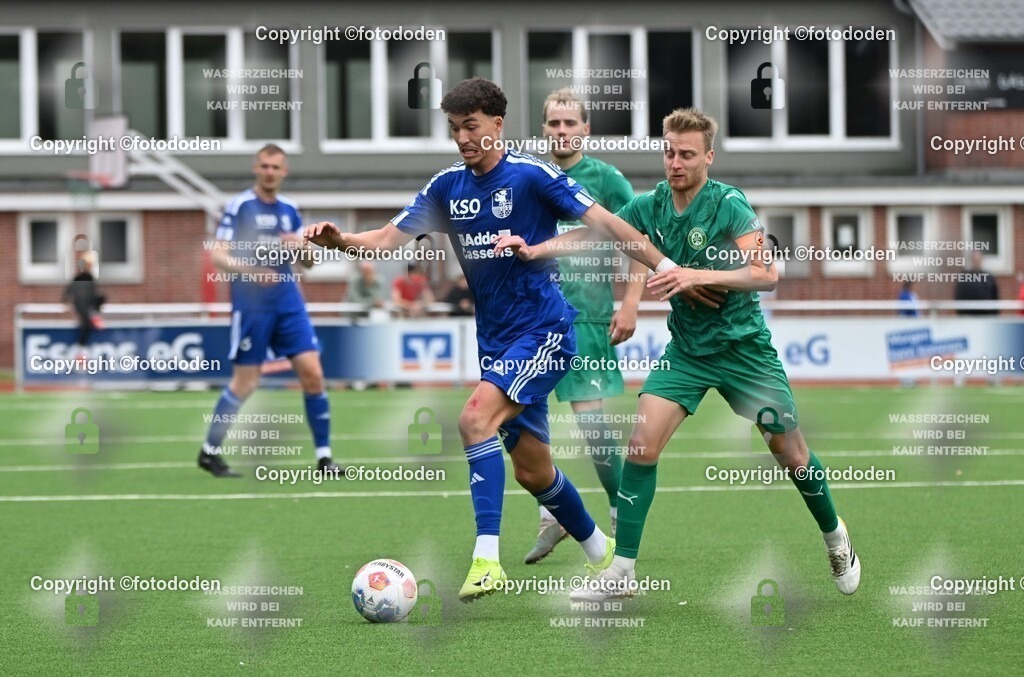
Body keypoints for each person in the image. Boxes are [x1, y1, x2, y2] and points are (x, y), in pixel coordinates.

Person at [304, 78, 675, 602]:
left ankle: (486, 559)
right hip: (496, 341)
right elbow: (385, 241)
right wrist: (339, 240)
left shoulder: (531, 175)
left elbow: (604, 225)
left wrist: (664, 266)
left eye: (471, 126)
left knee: (473, 419)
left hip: (544, 330)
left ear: (497, 125)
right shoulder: (446, 187)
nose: (462, 138)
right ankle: (607, 558)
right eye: (454, 128)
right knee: (533, 471)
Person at [503, 108, 861, 601]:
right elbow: (598, 234)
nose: (675, 162)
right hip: (687, 352)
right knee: (642, 445)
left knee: (790, 454)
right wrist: (536, 249)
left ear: (708, 157)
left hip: (744, 350)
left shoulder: (729, 203)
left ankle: (835, 536)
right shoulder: (650, 205)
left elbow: (766, 274)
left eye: (686, 154)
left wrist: (697, 275)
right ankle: (622, 572)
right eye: (669, 151)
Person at [523, 88, 646, 564]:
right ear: (544, 128)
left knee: (593, 428)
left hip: (587, 319)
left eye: (570, 123)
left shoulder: (605, 179)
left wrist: (631, 302)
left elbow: (639, 240)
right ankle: (552, 517)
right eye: (553, 124)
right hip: (533, 318)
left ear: (585, 129)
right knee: (524, 422)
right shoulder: (530, 176)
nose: (561, 131)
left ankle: (620, 514)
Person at [198, 143, 339, 477]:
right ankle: (210, 451)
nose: (270, 172)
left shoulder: (290, 209)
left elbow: (309, 263)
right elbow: (218, 256)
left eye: (276, 167)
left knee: (313, 374)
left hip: (289, 302)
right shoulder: (240, 206)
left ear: (284, 171)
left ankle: (324, 458)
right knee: (245, 383)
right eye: (265, 166)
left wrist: (302, 247)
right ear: (255, 168)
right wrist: (252, 272)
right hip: (251, 305)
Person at [63, 252, 105, 357]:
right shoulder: (80, 279)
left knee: (101, 298)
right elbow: (68, 292)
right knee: (85, 324)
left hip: (87, 304)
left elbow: (94, 294)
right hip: (82, 305)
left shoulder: (88, 278)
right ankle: (81, 348)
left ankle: (95, 315)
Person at [953, 251, 999, 316]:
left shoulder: (988, 277)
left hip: (986, 316)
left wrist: (993, 314)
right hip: (968, 317)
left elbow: (995, 296)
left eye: (978, 260)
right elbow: (958, 296)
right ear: (972, 261)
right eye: (975, 260)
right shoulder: (964, 277)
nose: (977, 262)